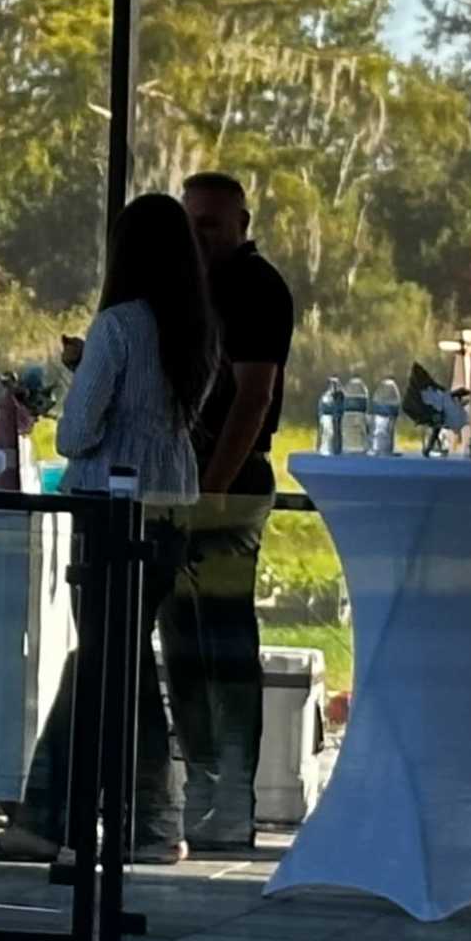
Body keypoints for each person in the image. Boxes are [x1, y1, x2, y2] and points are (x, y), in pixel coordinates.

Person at [1, 192, 216, 868]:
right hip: (169, 509)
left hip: (109, 507)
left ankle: (60, 814)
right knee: (120, 660)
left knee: (100, 661)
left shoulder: (117, 327)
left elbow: (76, 433)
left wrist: (79, 382)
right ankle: (145, 817)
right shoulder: (198, 328)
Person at [163, 172, 300, 847]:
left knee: (223, 639)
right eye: (189, 222)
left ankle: (235, 792)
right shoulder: (184, 286)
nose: (198, 235)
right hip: (178, 479)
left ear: (242, 223)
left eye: (211, 224)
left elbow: (253, 398)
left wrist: (211, 488)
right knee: (181, 642)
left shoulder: (257, 288)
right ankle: (202, 782)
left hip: (228, 483)